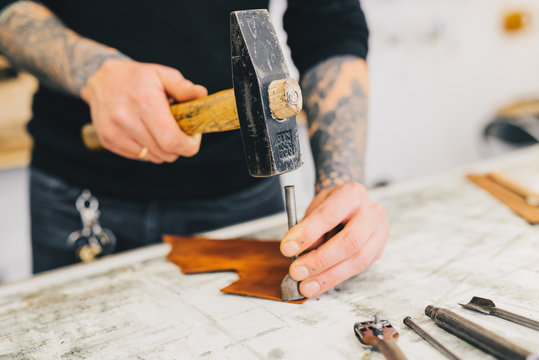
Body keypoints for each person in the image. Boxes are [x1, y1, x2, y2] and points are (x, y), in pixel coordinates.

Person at [0, 0, 389, 299]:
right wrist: (95, 72)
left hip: (241, 200)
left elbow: (329, 20)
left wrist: (341, 181)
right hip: (76, 197)